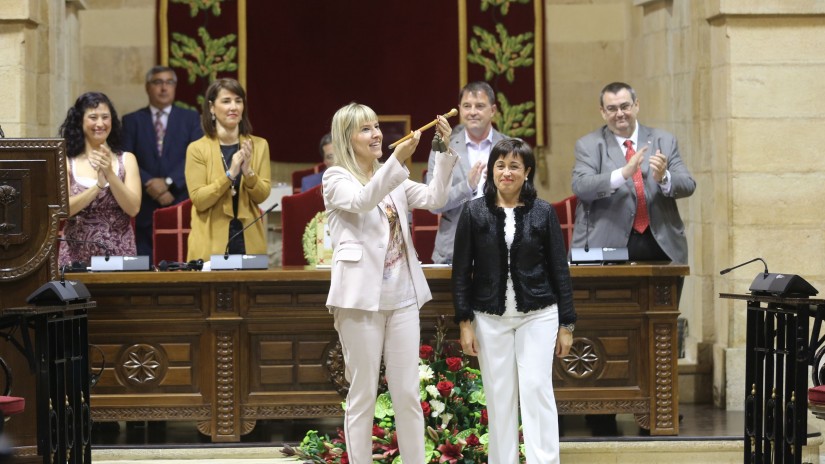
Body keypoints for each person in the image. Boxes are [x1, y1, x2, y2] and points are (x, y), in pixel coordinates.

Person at [323, 103, 457, 464]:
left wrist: (442, 151)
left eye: (377, 126)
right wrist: (397, 161)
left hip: (403, 299)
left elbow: (435, 198)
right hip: (360, 302)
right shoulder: (336, 178)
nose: (377, 134)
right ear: (347, 138)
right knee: (363, 394)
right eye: (366, 129)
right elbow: (363, 201)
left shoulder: (391, 175)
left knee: (408, 393)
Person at [453, 138, 575, 464]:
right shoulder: (473, 212)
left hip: (539, 314)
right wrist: (464, 322)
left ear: (527, 172)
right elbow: (461, 272)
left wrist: (567, 323)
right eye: (500, 165)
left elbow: (559, 270)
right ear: (491, 170)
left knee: (536, 389)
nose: (506, 172)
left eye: (514, 166)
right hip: (488, 317)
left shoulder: (543, 212)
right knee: (499, 398)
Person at [571, 82, 696, 263]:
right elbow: (581, 187)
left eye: (625, 106)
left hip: (661, 245)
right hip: (607, 244)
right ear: (603, 112)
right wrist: (623, 174)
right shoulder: (588, 145)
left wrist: (664, 178)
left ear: (636, 105)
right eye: (612, 109)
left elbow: (688, 185)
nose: (619, 114)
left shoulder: (664, 140)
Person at [184, 78, 271, 261]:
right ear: (212, 107)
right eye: (226, 101)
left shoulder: (259, 145)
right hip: (210, 244)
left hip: (249, 241)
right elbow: (199, 200)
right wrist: (229, 175)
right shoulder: (197, 149)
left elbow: (262, 196)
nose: (233, 107)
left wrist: (248, 172)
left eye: (238, 101)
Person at [122, 65, 203, 258]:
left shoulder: (191, 118)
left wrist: (168, 183)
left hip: (179, 200)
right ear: (147, 87)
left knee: (181, 261)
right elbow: (124, 157)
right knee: (145, 264)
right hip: (144, 205)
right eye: (158, 82)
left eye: (169, 82)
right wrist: (150, 183)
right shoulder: (131, 120)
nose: (164, 88)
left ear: (175, 87)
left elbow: (196, 156)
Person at [57, 92, 142, 267]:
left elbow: (133, 208)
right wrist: (98, 186)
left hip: (120, 256)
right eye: (93, 117)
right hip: (75, 257)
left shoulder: (127, 159)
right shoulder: (66, 161)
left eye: (105, 117)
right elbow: (63, 211)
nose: (100, 124)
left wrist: (110, 174)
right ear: (80, 121)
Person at [426, 81, 506, 264]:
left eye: (480, 106)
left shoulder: (511, 147)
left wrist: (500, 189)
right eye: (467, 106)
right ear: (460, 109)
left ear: (493, 110)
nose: (472, 112)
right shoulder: (442, 149)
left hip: (501, 247)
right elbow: (433, 203)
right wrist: (467, 187)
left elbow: (526, 198)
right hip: (453, 250)